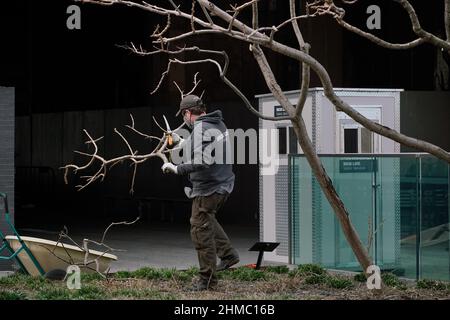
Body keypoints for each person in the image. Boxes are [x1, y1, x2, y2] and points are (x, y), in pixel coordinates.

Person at [161, 94, 239, 291]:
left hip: (209, 189)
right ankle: (229, 255)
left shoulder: (200, 130)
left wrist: (175, 168)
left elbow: (202, 161)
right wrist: (183, 143)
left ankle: (208, 280)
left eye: (183, 115)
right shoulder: (216, 123)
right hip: (223, 184)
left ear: (188, 113)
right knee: (207, 219)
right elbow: (208, 148)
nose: (183, 119)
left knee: (199, 230)